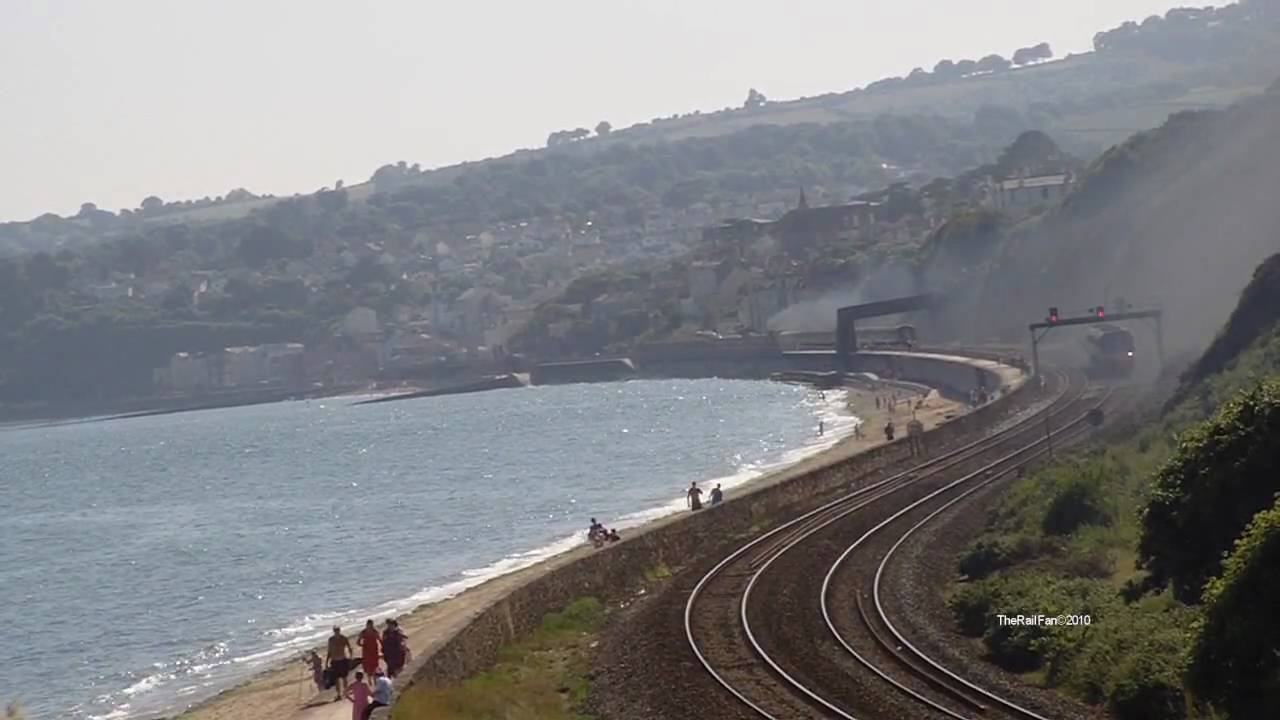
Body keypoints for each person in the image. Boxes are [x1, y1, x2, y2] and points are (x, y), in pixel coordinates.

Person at [327, 626, 354, 701]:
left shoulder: (344, 638)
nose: (336, 632)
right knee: (336, 679)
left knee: (344, 677)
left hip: (342, 659)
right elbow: (329, 651)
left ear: (339, 630)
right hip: (334, 660)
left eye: (337, 630)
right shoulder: (331, 640)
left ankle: (346, 692)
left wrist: (351, 657)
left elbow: (350, 648)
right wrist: (327, 662)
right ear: (333, 631)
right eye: (335, 630)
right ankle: (339, 694)